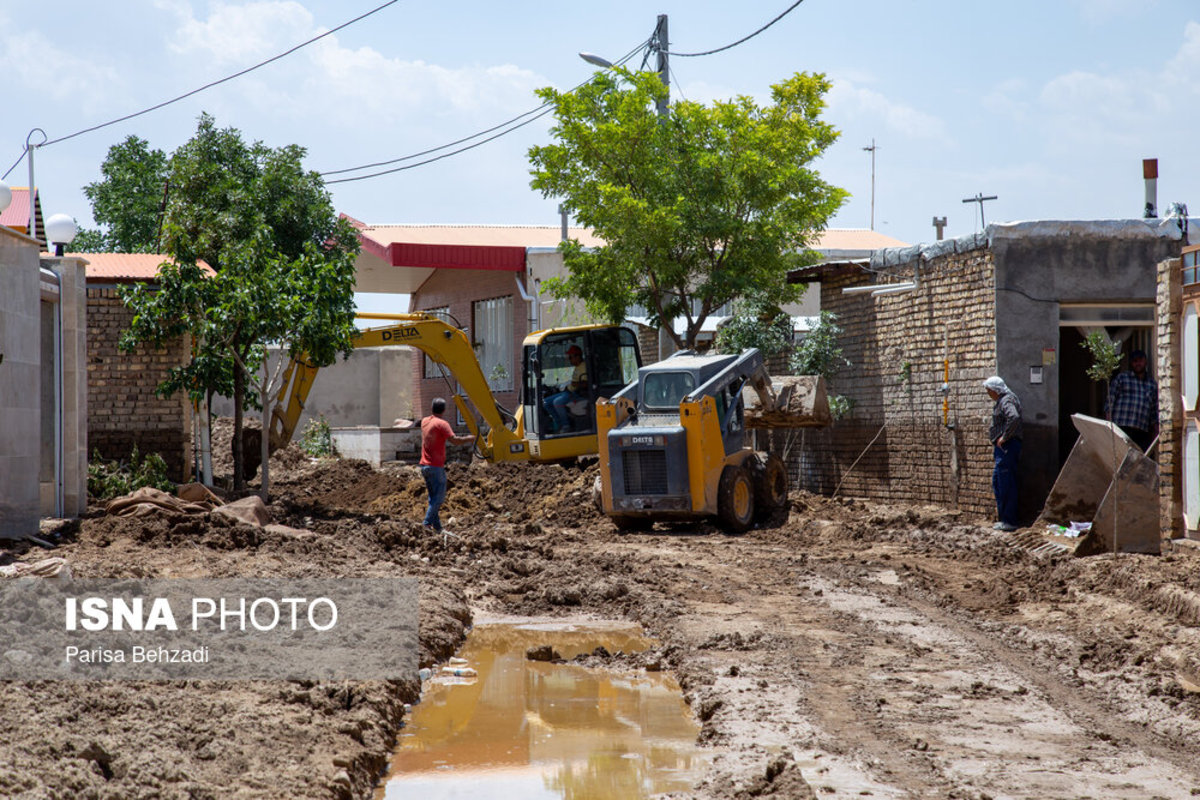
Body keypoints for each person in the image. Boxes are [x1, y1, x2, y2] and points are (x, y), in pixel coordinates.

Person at [419, 397, 475, 535]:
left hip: (424, 466)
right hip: (435, 466)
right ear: (444, 410)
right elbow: (455, 441)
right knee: (438, 498)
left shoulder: (425, 421)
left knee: (433, 498)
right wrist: (471, 438)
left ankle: (437, 528)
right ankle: (426, 525)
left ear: (432, 408)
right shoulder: (442, 424)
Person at [984, 375, 1023, 533]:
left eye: (989, 390)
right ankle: (1004, 519)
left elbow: (1013, 417)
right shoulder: (1004, 399)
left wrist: (1004, 437)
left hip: (1007, 448)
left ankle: (1010, 520)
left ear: (995, 390)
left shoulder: (1006, 400)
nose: (988, 393)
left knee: (1006, 483)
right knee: (998, 482)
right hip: (1003, 449)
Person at [1105, 349, 1159, 452]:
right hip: (1121, 427)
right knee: (1120, 456)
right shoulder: (1122, 378)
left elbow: (1154, 413)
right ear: (1131, 363)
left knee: (1137, 460)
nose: (1138, 364)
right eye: (1135, 361)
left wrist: (1156, 433)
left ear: (1145, 361)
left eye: (1140, 360)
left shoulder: (1152, 385)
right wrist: (1109, 427)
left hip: (1140, 431)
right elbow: (1109, 403)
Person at [544, 344, 588, 432]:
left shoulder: (584, 366)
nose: (569, 359)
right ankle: (558, 424)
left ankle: (566, 425)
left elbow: (585, 384)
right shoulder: (578, 367)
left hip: (575, 394)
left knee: (557, 402)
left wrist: (573, 384)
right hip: (568, 391)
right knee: (545, 402)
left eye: (571, 357)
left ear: (577, 356)